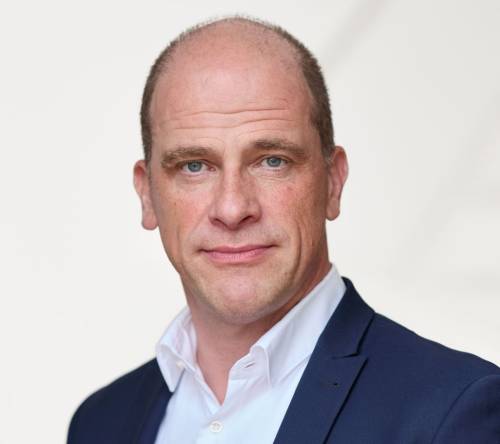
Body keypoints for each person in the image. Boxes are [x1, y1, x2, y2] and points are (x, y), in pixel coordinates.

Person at [67, 16, 500, 444]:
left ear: (333, 182)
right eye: (194, 166)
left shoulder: (454, 413)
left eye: (272, 161)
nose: (232, 208)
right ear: (147, 195)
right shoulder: (100, 424)